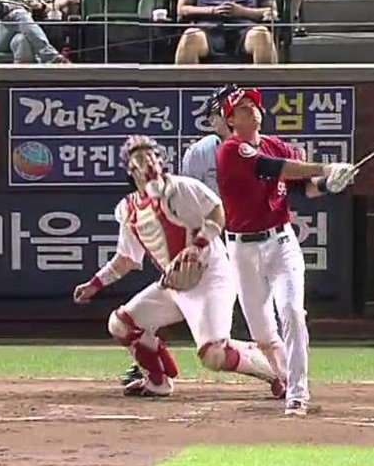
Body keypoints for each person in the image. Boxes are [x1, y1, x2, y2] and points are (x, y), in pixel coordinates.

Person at [74, 136, 279, 399]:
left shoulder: (182, 188)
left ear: (162, 162)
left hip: (211, 277)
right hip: (175, 283)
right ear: (130, 169)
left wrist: (198, 245)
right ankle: (157, 381)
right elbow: (126, 258)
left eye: (153, 156)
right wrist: (95, 284)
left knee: (214, 356)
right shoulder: (128, 209)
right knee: (121, 324)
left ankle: (275, 370)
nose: (149, 162)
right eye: (141, 158)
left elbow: (217, 212)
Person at [214, 88, 358, 416]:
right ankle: (282, 376)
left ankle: (298, 392)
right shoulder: (230, 150)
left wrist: (331, 184)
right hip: (241, 250)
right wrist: (325, 168)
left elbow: (304, 188)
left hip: (280, 242)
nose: (252, 110)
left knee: (292, 312)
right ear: (230, 120)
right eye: (243, 108)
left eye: (254, 105)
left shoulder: (277, 145)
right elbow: (272, 168)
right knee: (263, 333)